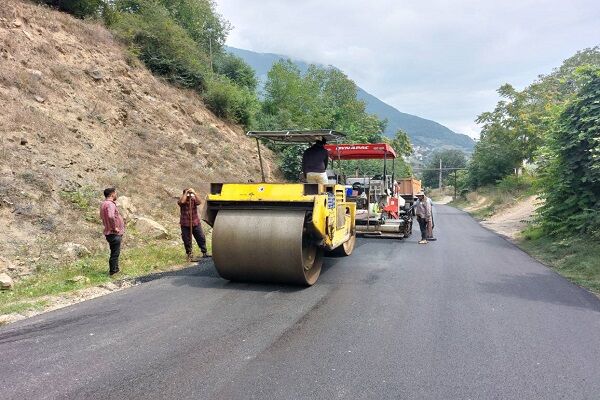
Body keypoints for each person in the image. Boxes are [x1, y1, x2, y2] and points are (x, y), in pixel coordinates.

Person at [178, 188, 210, 261]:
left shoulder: (193, 200)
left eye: (190, 194)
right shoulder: (181, 201)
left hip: (195, 222)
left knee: (201, 237)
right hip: (185, 224)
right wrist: (186, 192)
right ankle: (189, 255)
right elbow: (182, 201)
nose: (189, 195)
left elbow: (199, 202)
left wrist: (194, 193)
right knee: (187, 240)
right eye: (188, 194)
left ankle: (204, 252)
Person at [100, 187, 125, 276]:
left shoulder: (103, 204)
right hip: (113, 233)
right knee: (115, 253)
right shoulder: (110, 204)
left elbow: (103, 217)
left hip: (109, 233)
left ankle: (115, 270)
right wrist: (114, 227)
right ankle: (113, 272)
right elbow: (110, 216)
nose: (116, 195)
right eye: (115, 193)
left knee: (114, 252)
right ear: (112, 194)